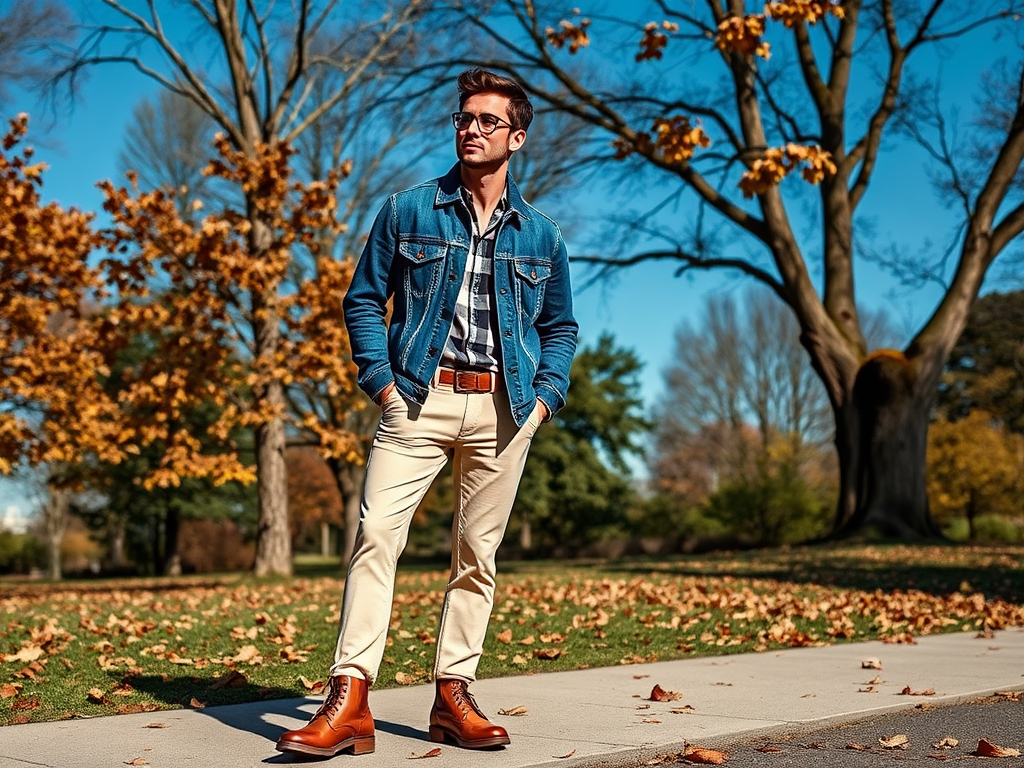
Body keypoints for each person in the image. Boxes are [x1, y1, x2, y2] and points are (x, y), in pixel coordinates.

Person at [276, 68, 578, 758]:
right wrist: (382, 382)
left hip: (506, 408)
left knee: (477, 555)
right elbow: (362, 299)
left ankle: (453, 697)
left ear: (518, 137)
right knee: (375, 536)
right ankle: (348, 700)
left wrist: (543, 401)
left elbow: (561, 326)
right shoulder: (407, 210)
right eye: (464, 119)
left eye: (487, 121)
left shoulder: (542, 236)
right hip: (417, 399)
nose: (471, 129)